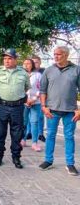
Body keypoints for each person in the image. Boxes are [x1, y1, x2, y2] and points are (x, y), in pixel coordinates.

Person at [38, 46, 80, 176]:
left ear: (66, 55)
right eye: (54, 54)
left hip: (70, 111)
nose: (56, 56)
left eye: (59, 54)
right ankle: (48, 160)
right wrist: (44, 106)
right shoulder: (48, 71)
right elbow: (43, 90)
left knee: (69, 137)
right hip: (52, 110)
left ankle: (70, 164)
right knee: (50, 135)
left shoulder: (76, 70)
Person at [0, 48, 30, 169]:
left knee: (17, 134)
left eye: (9, 58)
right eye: (5, 58)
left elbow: (26, 87)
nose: (7, 61)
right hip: (2, 106)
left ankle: (16, 157)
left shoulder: (23, 73)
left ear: (15, 59)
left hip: (17, 107)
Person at [21, 58, 42, 151]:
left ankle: (34, 143)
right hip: (24, 102)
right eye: (24, 63)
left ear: (32, 65)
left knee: (34, 122)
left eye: (28, 63)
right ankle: (23, 140)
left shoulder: (38, 75)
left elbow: (41, 89)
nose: (26, 65)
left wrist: (33, 99)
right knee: (24, 122)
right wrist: (25, 99)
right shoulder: (20, 75)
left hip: (35, 102)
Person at [32, 55, 46, 142]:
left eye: (36, 62)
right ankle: (30, 133)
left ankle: (40, 134)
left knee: (40, 116)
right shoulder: (28, 72)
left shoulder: (44, 72)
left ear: (40, 63)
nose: (34, 64)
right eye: (33, 62)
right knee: (31, 117)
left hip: (41, 97)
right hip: (30, 99)